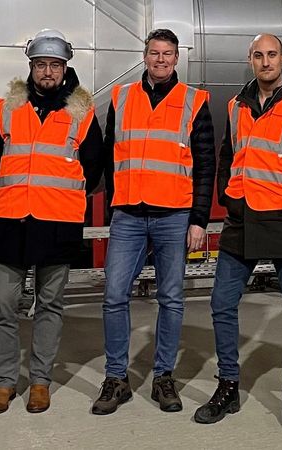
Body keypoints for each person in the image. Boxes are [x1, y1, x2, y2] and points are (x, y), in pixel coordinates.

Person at [193, 33, 282, 432]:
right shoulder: (237, 105)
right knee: (221, 304)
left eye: (272, 54)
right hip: (242, 219)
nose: (266, 61)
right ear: (250, 60)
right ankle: (228, 385)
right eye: (258, 55)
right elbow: (228, 154)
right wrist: (226, 195)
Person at [91, 28, 215, 415]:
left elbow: (206, 164)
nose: (161, 60)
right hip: (128, 213)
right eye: (154, 53)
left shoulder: (194, 101)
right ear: (145, 56)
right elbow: (112, 155)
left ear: (176, 59)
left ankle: (163, 376)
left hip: (174, 215)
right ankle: (116, 378)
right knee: (113, 296)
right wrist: (114, 203)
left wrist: (199, 219)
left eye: (168, 54)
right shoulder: (122, 97)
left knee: (172, 299)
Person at [0, 29, 103, 415]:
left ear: (65, 67)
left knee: (49, 305)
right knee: (2, 303)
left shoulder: (82, 114)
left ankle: (39, 382)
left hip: (58, 221)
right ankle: (4, 384)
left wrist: (61, 197)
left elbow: (95, 169)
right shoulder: (5, 109)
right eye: (40, 65)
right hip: (10, 218)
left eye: (54, 64)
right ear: (31, 68)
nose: (47, 71)